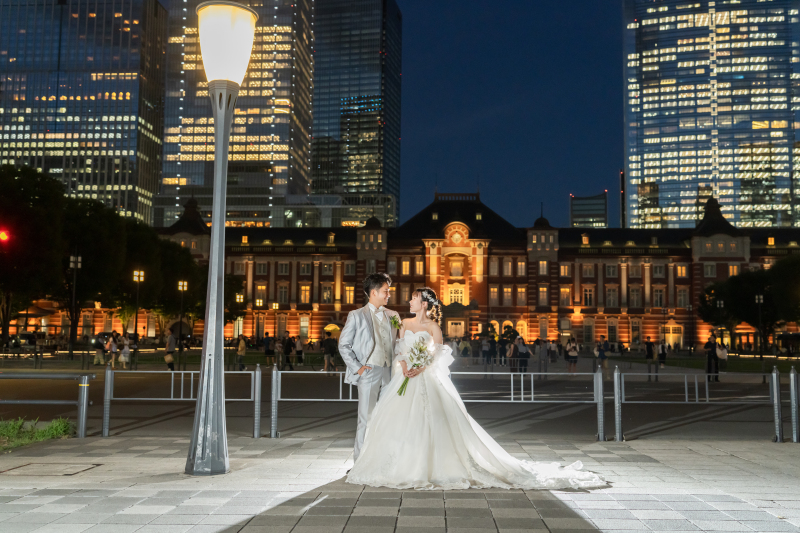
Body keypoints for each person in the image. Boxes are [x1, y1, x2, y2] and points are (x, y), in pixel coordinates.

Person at [346, 285, 604, 490]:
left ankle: (433, 465)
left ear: (424, 304)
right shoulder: (402, 322)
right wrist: (403, 364)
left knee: (433, 420)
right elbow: (398, 347)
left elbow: (436, 353)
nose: (409, 302)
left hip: (425, 377)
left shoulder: (433, 326)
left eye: (413, 299)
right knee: (399, 420)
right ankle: (398, 463)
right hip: (405, 378)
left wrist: (423, 366)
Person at [338, 273, 401, 462]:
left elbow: (399, 342)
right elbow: (344, 345)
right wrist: (357, 368)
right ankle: (360, 463)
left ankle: (383, 460)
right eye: (385, 291)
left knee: (387, 417)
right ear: (373, 292)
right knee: (365, 419)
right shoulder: (356, 315)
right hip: (368, 371)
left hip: (389, 372)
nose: (388, 294)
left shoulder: (393, 315)